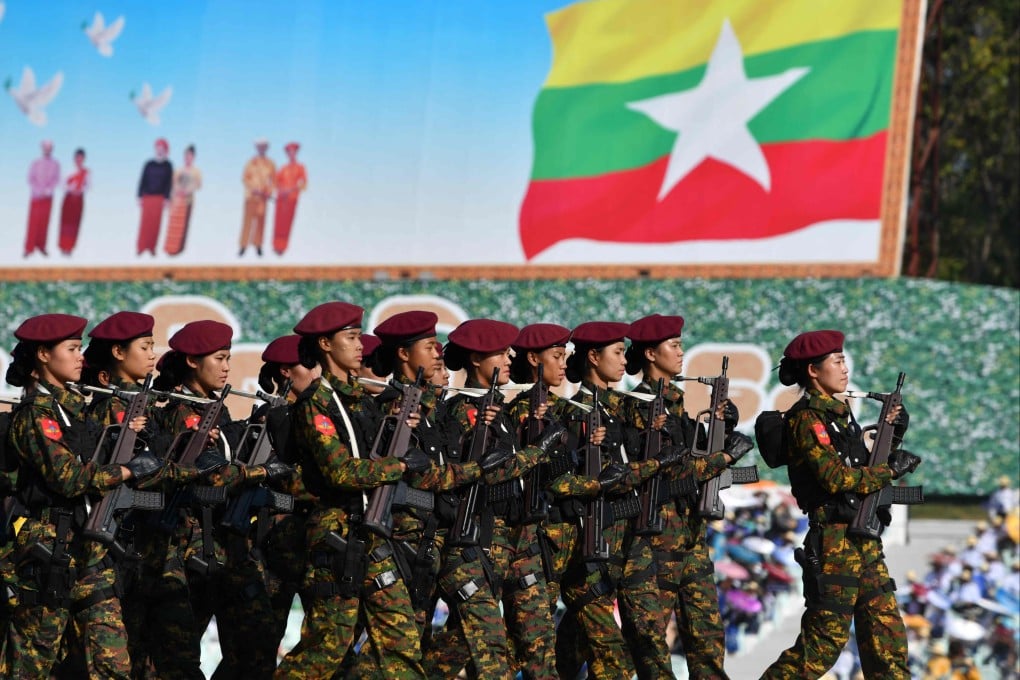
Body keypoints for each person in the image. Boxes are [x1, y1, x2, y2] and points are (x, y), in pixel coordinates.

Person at [277, 301, 429, 678]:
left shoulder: (361, 400)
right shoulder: (317, 403)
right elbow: (341, 473)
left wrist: (399, 427)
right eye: (350, 337)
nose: (360, 345)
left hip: (373, 532)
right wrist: (401, 464)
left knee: (401, 642)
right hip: (337, 536)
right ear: (326, 345)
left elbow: (369, 449)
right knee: (326, 650)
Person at [3, 313, 161, 677]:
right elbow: (69, 478)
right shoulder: (36, 415)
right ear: (44, 354)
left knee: (112, 664)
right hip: (48, 554)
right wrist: (126, 469)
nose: (81, 357)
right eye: (72, 349)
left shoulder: (75, 410)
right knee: (32, 667)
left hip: (88, 550)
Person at [760, 329, 921, 679]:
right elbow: (837, 480)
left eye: (843, 359)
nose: (844, 368)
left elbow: (861, 468)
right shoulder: (807, 419)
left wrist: (892, 438)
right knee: (822, 646)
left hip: (863, 537)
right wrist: (890, 469)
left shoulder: (839, 415)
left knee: (888, 640)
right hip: (834, 542)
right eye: (836, 361)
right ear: (814, 371)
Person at [425, 319, 561, 680]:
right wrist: (538, 451)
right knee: (484, 646)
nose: (509, 357)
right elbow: (486, 473)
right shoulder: (460, 413)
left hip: (516, 539)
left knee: (538, 641)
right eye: (500, 352)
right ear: (475, 359)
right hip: (478, 539)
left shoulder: (498, 412)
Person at [623, 313, 753, 678]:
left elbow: (694, 455)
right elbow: (671, 474)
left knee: (707, 638)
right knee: (651, 647)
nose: (682, 353)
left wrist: (721, 428)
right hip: (657, 539)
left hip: (689, 535)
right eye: (674, 345)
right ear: (651, 353)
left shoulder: (675, 405)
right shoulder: (639, 408)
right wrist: (724, 457)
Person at [136, 138, 173, 256]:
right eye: (158, 148)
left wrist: (167, 199)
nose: (159, 151)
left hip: (159, 198)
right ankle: (141, 247)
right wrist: (139, 196)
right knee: (144, 224)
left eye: (162, 149)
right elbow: (142, 180)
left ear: (166, 150)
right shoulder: (148, 164)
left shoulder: (168, 165)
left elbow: (169, 183)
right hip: (147, 197)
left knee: (155, 225)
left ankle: (152, 248)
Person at [239, 139, 275, 257]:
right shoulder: (251, 162)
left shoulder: (270, 163)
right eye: (260, 146)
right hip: (251, 196)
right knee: (247, 221)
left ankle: (258, 245)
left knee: (260, 223)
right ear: (257, 148)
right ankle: (243, 246)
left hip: (263, 198)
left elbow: (274, 180)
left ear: (267, 148)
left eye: (264, 146)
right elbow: (244, 178)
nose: (262, 148)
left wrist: (268, 191)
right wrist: (252, 188)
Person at [24, 139, 60, 257]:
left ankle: (41, 246)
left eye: (49, 147)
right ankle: (29, 248)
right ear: (42, 148)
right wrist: (38, 190)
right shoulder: (35, 163)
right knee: (33, 222)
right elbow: (30, 178)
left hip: (48, 197)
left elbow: (56, 179)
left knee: (45, 222)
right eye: (45, 147)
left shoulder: (56, 164)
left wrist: (48, 190)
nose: (47, 149)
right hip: (36, 196)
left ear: (52, 149)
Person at [164, 144, 202, 256]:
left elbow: (198, 185)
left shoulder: (196, 171)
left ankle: (179, 249)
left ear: (193, 157)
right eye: (186, 155)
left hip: (187, 201)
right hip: (176, 201)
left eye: (190, 156)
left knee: (183, 226)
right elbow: (173, 183)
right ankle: (170, 247)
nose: (187, 158)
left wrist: (187, 191)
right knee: (172, 225)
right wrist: (176, 191)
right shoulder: (178, 170)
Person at [272, 141, 307, 255]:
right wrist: (280, 189)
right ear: (287, 154)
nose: (291, 154)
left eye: (293, 152)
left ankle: (283, 247)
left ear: (296, 153)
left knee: (287, 223)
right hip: (281, 199)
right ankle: (276, 245)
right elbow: (275, 181)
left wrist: (291, 190)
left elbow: (303, 183)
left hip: (291, 199)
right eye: (289, 152)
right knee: (278, 223)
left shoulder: (300, 168)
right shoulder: (283, 168)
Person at [58, 148, 88, 255]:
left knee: (75, 224)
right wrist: (71, 187)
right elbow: (61, 184)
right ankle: (63, 246)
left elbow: (89, 186)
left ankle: (70, 247)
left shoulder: (86, 172)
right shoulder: (68, 170)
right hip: (69, 198)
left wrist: (81, 188)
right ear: (74, 158)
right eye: (77, 157)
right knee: (66, 223)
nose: (79, 160)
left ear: (84, 159)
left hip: (79, 199)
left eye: (81, 158)